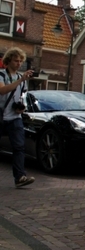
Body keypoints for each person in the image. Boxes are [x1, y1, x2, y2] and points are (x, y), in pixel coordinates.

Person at [0, 48, 35, 188]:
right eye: (16, 60)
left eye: (21, 61)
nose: (19, 63)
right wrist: (21, 79)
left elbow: (23, 96)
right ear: (8, 61)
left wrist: (23, 107)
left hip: (15, 117)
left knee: (19, 147)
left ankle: (20, 177)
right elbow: (2, 90)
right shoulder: (1, 75)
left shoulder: (22, 80)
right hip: (1, 115)